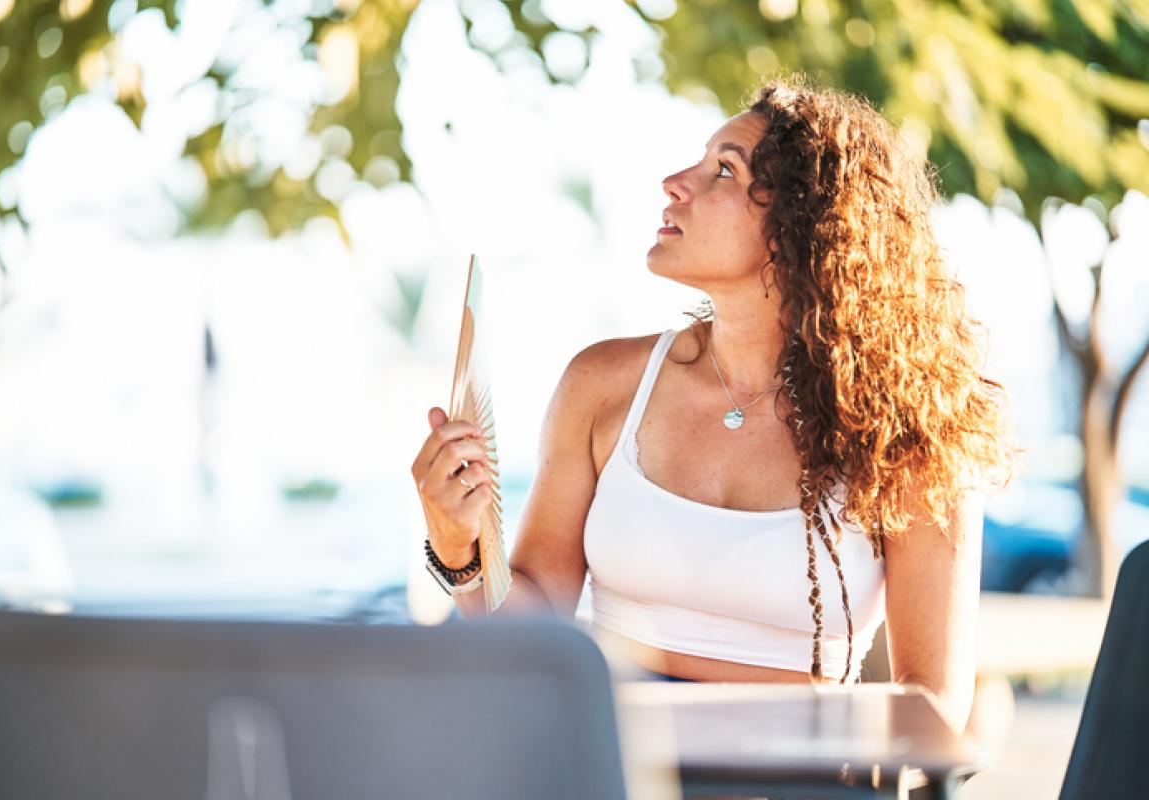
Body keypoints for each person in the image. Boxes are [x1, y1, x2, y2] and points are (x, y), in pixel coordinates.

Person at [410, 77, 1015, 736]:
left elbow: (932, 706)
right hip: (610, 769)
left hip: (800, 785)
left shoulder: (908, 431)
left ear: (804, 227)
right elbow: (533, 625)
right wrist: (460, 549)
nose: (674, 181)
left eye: (723, 170)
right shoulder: (603, 385)